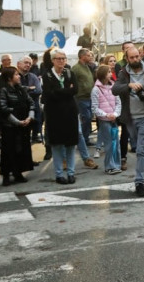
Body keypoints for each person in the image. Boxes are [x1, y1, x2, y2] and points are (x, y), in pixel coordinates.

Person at [112, 46, 144, 197]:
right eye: (132, 57)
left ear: (140, 56)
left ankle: (139, 182)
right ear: (126, 58)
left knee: (141, 150)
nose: (135, 59)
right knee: (143, 149)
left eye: (137, 57)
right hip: (130, 118)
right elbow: (115, 89)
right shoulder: (123, 73)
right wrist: (128, 85)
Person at [42, 48, 79, 184]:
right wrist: (66, 91)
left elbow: (75, 90)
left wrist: (62, 91)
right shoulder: (47, 75)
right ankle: (59, 174)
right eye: (59, 59)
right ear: (52, 60)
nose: (62, 61)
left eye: (64, 58)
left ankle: (71, 172)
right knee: (57, 145)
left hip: (70, 112)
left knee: (70, 144)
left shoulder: (70, 73)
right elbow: (50, 93)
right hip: (54, 114)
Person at [0, 67, 34, 186]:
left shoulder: (22, 89)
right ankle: (6, 175)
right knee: (9, 151)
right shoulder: (3, 90)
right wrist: (17, 121)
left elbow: (31, 103)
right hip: (10, 126)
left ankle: (18, 172)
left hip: (24, 124)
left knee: (21, 149)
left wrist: (29, 117)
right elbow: (4, 109)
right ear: (9, 78)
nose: (19, 77)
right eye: (16, 75)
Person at [91, 64, 122, 174]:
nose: (111, 73)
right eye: (108, 72)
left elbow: (118, 103)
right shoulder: (95, 89)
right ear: (103, 74)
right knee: (109, 143)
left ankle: (117, 165)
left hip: (113, 119)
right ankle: (109, 166)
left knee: (116, 142)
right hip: (104, 120)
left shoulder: (113, 86)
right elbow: (94, 107)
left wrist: (115, 114)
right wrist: (106, 115)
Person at [71, 48, 95, 145]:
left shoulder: (87, 67)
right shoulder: (76, 68)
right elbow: (71, 81)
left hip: (89, 97)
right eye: (88, 55)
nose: (90, 57)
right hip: (81, 97)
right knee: (86, 117)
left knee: (89, 118)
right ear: (82, 56)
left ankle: (85, 138)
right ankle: (83, 139)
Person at [18, 56, 43, 144]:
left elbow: (38, 90)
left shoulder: (33, 76)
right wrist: (30, 88)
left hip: (33, 105)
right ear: (19, 64)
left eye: (30, 63)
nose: (28, 65)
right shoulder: (15, 76)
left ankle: (36, 135)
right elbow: (16, 91)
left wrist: (24, 90)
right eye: (26, 62)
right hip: (20, 106)